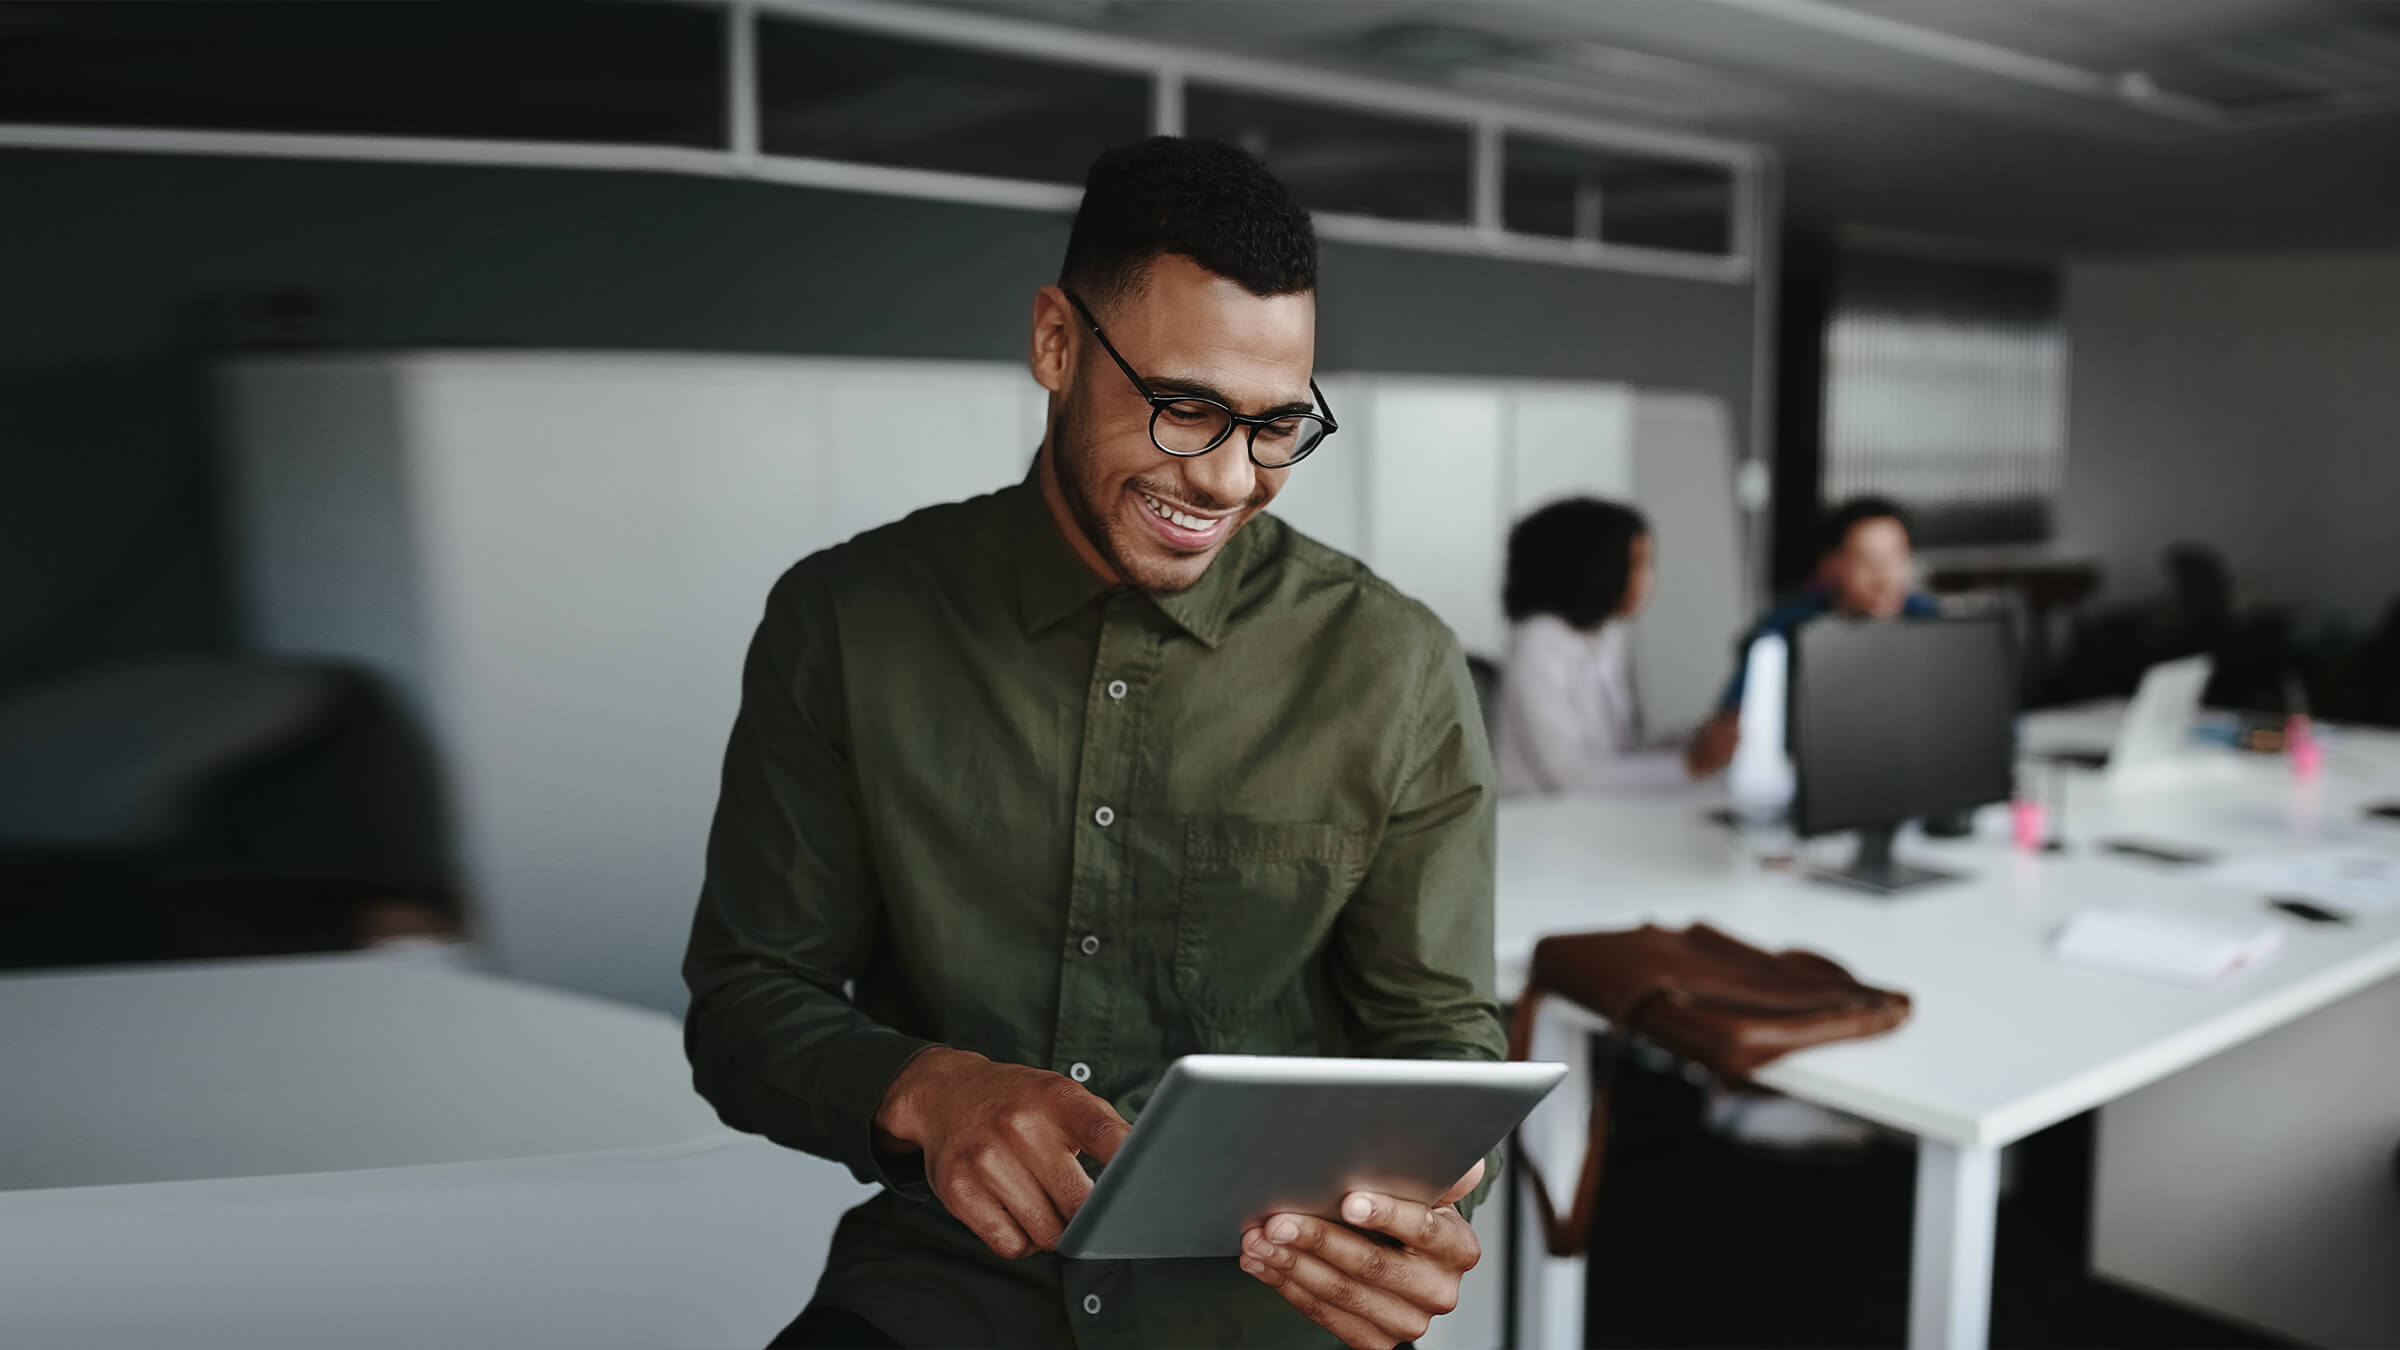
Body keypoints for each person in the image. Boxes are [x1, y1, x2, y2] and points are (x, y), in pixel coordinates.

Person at [682, 137, 1504, 1350]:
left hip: (1257, 1308)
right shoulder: (846, 622)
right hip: (942, 1294)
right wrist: (928, 1087)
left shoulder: (1398, 667)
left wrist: (1426, 1201)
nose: (1230, 480)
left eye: (1279, 426)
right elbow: (747, 1003)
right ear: (1057, 344)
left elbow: (1441, 1045)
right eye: (1187, 409)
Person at [1493, 497, 1733, 793]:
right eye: (1637, 565)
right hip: (1543, 822)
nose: (1647, 581)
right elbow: (1571, 776)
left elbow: (1618, 754)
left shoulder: (1603, 636)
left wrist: (1692, 744)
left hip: (1594, 816)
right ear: (1595, 568)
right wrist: (1689, 765)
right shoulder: (1538, 644)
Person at [1687, 495, 1940, 776]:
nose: (1886, 578)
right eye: (1867, 561)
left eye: (1897, 559)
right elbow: (1726, 732)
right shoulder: (1784, 631)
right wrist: (1718, 741)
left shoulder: (1929, 621)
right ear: (1830, 566)